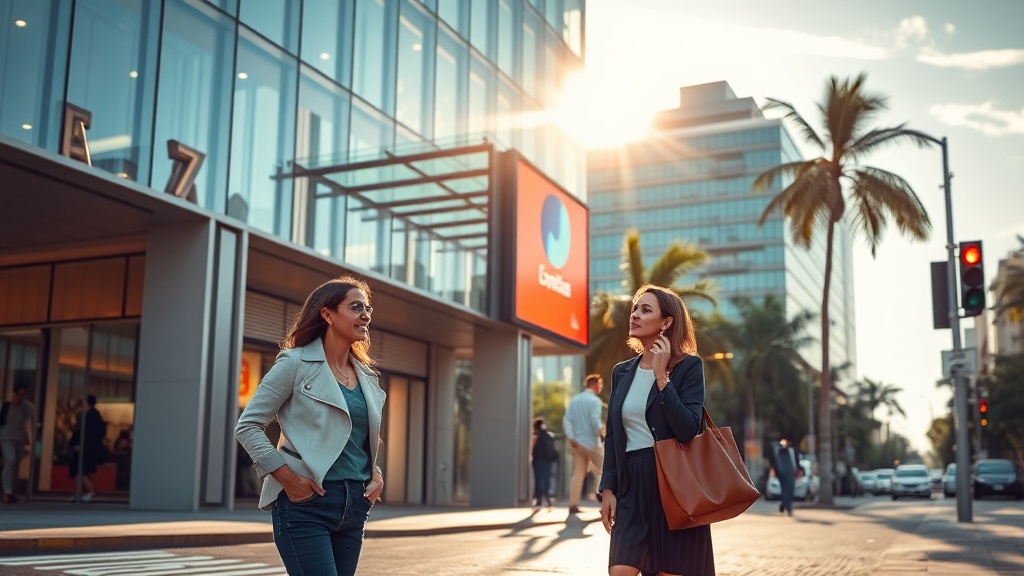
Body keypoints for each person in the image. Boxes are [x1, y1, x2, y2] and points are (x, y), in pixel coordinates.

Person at [235, 276, 386, 576]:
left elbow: (358, 437)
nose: (366, 315)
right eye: (356, 307)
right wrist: (286, 478)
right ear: (327, 314)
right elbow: (248, 425)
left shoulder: (368, 377)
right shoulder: (294, 363)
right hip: (305, 506)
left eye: (368, 308)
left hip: (354, 505)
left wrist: (376, 475)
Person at [599, 284, 714, 576]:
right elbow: (613, 437)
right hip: (631, 485)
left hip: (674, 484)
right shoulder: (621, 371)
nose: (635, 315)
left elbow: (688, 428)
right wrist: (608, 490)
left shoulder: (688, 366)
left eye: (645, 309)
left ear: (667, 322)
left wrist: (662, 377)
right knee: (620, 570)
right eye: (635, 308)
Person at [563, 374, 605, 514]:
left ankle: (573, 505)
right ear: (594, 385)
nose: (601, 387)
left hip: (577, 443)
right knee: (605, 470)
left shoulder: (575, 400)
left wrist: (571, 437)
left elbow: (567, 419)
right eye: (600, 384)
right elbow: (595, 422)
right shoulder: (594, 401)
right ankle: (604, 500)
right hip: (592, 442)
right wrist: (602, 431)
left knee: (578, 473)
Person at [68, 394, 105, 503]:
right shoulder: (85, 415)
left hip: (86, 448)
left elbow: (89, 434)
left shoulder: (92, 416)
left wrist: (80, 445)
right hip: (82, 447)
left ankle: (90, 492)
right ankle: (82, 493)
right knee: (78, 471)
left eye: (83, 402)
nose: (81, 404)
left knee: (81, 471)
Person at [0, 385, 34, 504]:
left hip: (20, 439)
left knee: (15, 462)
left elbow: (31, 417)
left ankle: (10, 490)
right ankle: (7, 491)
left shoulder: (26, 407)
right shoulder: (6, 406)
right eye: (19, 394)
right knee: (10, 460)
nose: (21, 397)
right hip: (6, 437)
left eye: (23, 394)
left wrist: (28, 438)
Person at [531, 417, 558, 510]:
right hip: (547, 461)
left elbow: (533, 449)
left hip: (538, 460)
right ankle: (548, 500)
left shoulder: (536, 435)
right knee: (547, 480)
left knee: (538, 480)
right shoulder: (548, 435)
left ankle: (539, 500)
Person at [771, 438, 801, 516]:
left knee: (791, 490)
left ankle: (783, 505)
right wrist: (775, 472)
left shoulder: (793, 451)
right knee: (785, 490)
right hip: (782, 474)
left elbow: (797, 461)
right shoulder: (778, 450)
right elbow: (774, 462)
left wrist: (798, 471)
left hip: (791, 473)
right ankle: (788, 508)